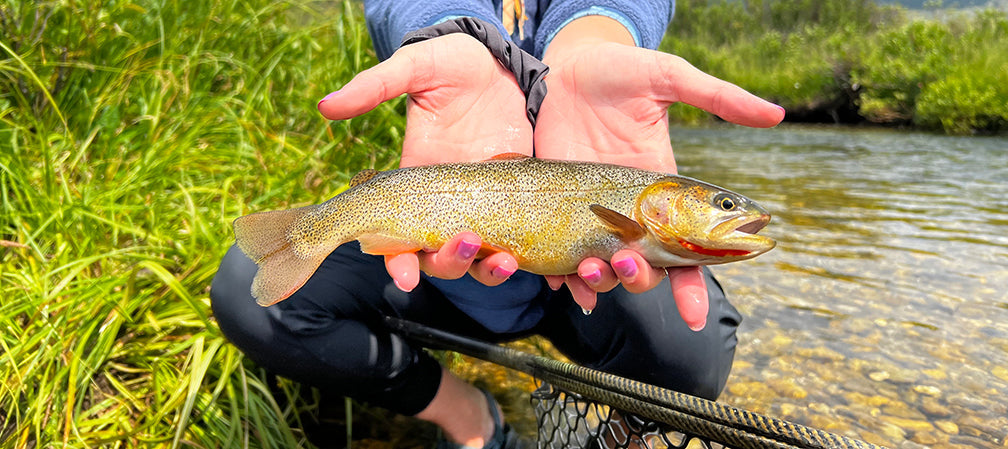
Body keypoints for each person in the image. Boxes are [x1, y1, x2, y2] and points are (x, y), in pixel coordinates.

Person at [211, 1, 785, 448]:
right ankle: (466, 415)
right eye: (724, 208)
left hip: (581, 287)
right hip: (448, 267)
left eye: (724, 208)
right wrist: (447, 31)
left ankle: (619, 439)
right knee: (249, 296)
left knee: (695, 350)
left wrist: (597, 32)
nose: (735, 217)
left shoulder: (644, 222)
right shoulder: (641, 218)